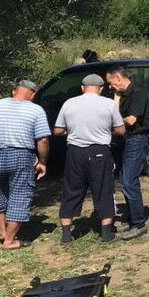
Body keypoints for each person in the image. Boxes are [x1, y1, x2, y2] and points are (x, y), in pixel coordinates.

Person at [0, 80, 50, 249]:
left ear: (14, 91)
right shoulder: (36, 110)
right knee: (20, 194)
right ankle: (10, 240)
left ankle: (2, 232)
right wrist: (42, 162)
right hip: (21, 155)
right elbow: (42, 139)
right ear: (33, 94)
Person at [54, 74, 125, 244]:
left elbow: (57, 130)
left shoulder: (69, 103)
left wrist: (71, 131)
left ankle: (66, 233)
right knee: (103, 190)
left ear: (82, 87)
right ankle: (106, 233)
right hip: (99, 151)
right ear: (101, 89)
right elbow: (121, 130)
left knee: (71, 189)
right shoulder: (108, 104)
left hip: (75, 152)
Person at [105, 66, 149, 241]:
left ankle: (139, 223)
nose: (111, 88)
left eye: (111, 84)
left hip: (136, 139)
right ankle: (133, 219)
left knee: (128, 180)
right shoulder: (120, 95)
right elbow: (114, 115)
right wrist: (116, 99)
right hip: (124, 140)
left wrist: (116, 122)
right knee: (125, 178)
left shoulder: (138, 93)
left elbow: (131, 120)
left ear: (118, 78)